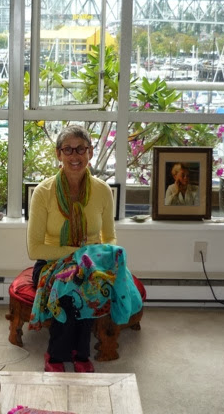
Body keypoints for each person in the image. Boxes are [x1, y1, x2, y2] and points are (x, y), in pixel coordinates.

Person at [26, 125, 142, 373]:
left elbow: (109, 237)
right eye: (67, 149)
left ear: (90, 152)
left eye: (81, 149)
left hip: (91, 263)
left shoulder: (102, 190)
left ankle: (77, 353)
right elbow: (34, 249)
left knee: (88, 281)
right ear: (58, 154)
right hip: (50, 263)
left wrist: (99, 259)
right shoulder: (43, 192)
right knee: (70, 285)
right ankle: (59, 354)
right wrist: (78, 255)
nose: (75, 155)